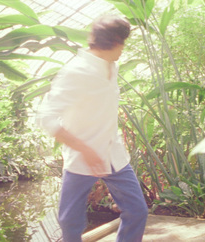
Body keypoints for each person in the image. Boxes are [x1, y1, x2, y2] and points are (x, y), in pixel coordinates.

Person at [37, 15, 148, 242]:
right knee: (70, 222)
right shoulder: (76, 72)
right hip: (81, 158)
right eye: (124, 43)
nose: (124, 49)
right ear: (115, 42)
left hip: (113, 154)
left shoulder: (111, 66)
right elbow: (46, 116)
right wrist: (86, 150)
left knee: (137, 211)